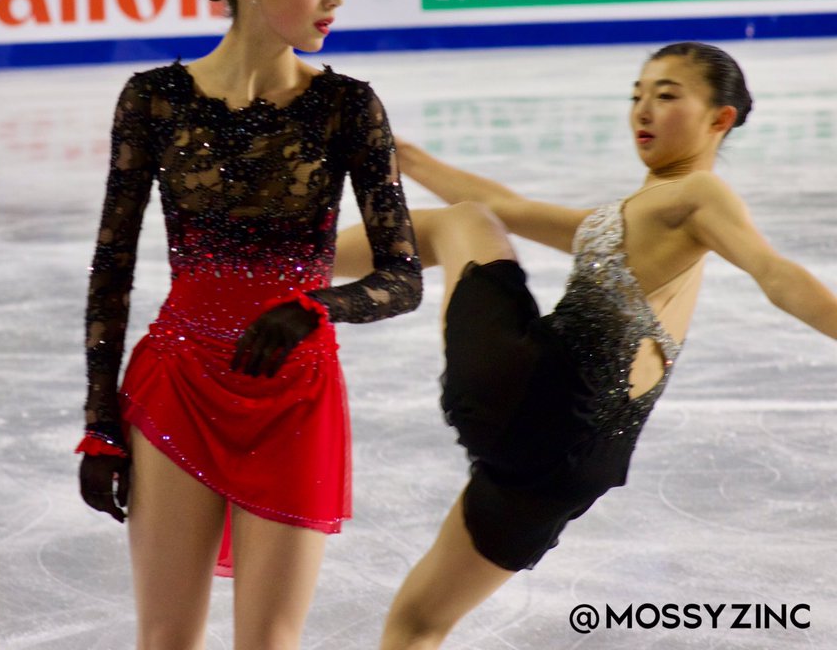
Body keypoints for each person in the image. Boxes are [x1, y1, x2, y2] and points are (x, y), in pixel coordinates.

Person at [332, 42, 837, 649]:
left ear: (719, 119)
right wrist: (405, 156)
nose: (643, 110)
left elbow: (775, 273)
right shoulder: (634, 220)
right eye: (637, 96)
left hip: (536, 391)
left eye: (667, 95)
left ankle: (281, 267)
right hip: (577, 462)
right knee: (418, 623)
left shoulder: (697, 197)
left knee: (459, 222)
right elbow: (509, 207)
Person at [77, 0, 423, 650]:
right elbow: (112, 268)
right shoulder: (154, 100)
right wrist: (101, 423)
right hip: (179, 382)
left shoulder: (347, 107)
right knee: (166, 639)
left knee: (268, 642)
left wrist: (317, 305)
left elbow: (403, 275)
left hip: (294, 392)